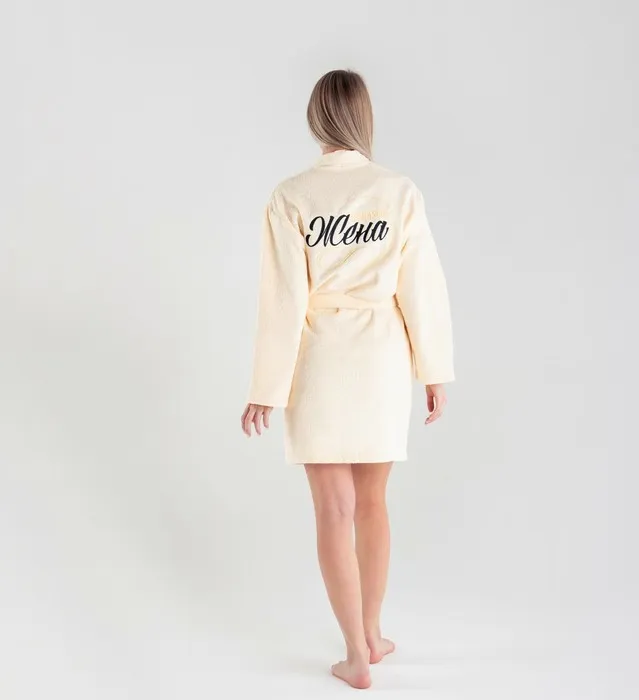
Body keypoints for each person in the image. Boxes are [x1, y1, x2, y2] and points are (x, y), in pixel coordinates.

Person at [240, 69, 454, 689]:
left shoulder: (291, 196)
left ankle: (355, 654)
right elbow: (422, 287)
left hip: (321, 357)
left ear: (316, 118)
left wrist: (267, 388)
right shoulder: (397, 191)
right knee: (373, 503)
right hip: (382, 357)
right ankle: (373, 634)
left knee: (333, 510)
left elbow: (283, 299)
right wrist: (433, 369)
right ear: (364, 117)